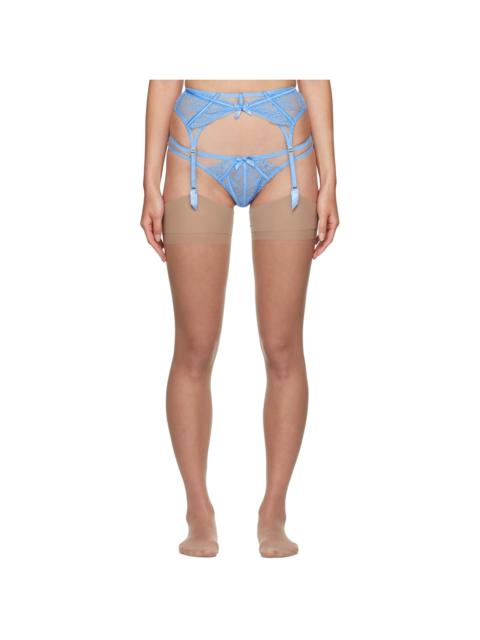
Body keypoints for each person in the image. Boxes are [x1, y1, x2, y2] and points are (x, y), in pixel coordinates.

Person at [141, 80, 339, 557]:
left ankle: (274, 510)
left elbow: (315, 66)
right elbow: (164, 70)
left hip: (287, 151)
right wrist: (149, 179)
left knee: (283, 346)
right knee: (194, 346)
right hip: (195, 151)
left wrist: (330, 177)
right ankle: (198, 508)